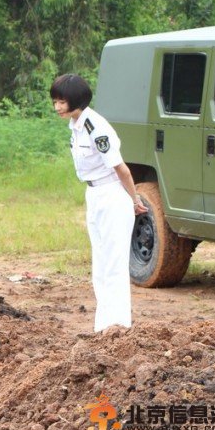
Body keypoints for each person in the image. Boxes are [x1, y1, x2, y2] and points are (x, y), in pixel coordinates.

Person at [50, 74, 148, 332]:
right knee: (101, 264)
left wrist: (134, 199)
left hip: (112, 194)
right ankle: (103, 326)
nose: (57, 107)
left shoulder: (96, 127)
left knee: (114, 264)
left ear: (77, 100)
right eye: (56, 102)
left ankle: (119, 327)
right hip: (94, 193)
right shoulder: (77, 124)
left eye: (62, 102)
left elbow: (121, 169)